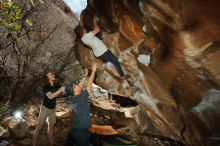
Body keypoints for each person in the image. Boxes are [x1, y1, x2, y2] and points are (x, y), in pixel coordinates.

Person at [75, 13, 128, 80]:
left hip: (101, 51)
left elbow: (81, 27)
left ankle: (113, 60)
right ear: (82, 31)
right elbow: (97, 29)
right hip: (102, 52)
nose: (84, 28)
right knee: (115, 61)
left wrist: (81, 20)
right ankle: (122, 76)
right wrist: (95, 21)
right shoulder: (87, 36)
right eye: (83, 28)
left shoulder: (83, 39)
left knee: (112, 56)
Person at [65, 63, 98, 146]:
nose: (77, 85)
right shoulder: (81, 98)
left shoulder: (73, 98)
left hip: (76, 129)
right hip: (81, 132)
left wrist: (85, 75)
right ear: (75, 91)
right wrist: (93, 71)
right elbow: (89, 84)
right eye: (75, 86)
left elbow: (80, 86)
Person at [33, 72, 65, 146]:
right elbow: (50, 96)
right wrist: (60, 90)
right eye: (50, 75)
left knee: (51, 127)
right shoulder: (45, 87)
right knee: (39, 128)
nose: (53, 75)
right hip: (45, 108)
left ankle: (51, 143)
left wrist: (64, 89)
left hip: (53, 109)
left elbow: (63, 90)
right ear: (47, 78)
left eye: (52, 74)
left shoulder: (56, 85)